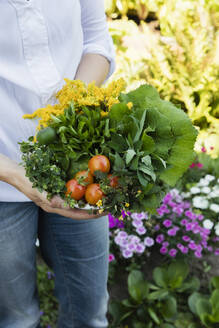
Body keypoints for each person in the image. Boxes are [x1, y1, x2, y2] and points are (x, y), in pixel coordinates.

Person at [0, 0, 116, 327]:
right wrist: (13, 174)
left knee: (89, 312)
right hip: (1, 183)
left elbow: (96, 41)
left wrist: (73, 104)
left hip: (76, 166)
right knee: (15, 318)